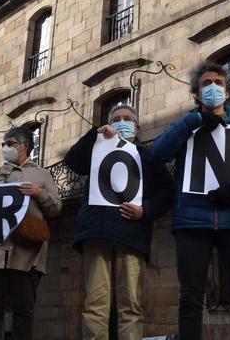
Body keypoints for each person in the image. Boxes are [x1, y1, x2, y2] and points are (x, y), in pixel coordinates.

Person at [150, 61, 230, 340]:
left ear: (228, 93)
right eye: (207, 84)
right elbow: (158, 153)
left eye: (219, 84)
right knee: (190, 298)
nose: (213, 88)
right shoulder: (185, 124)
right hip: (192, 223)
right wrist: (192, 121)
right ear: (196, 94)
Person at [63, 104, 173, 340]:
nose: (122, 122)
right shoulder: (97, 148)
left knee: (130, 306)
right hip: (96, 233)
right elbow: (72, 161)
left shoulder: (147, 155)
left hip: (131, 235)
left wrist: (145, 211)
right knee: (94, 305)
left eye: (127, 119)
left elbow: (166, 192)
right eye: (116, 119)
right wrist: (96, 134)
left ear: (137, 126)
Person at [0, 127, 62, 340]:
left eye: (9, 143)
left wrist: (40, 193)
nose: (5, 148)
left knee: (23, 310)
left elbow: (56, 208)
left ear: (25, 146)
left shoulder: (42, 174)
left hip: (26, 253)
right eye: (3, 144)